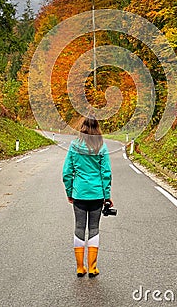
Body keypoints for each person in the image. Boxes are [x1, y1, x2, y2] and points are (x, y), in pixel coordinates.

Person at [62, 116, 113, 278]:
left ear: (82, 127)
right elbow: (106, 173)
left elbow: (67, 172)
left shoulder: (74, 146)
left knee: (79, 227)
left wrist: (70, 192)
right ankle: (92, 268)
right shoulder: (101, 147)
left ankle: (79, 267)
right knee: (93, 229)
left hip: (79, 194)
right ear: (97, 129)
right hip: (97, 194)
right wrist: (107, 196)